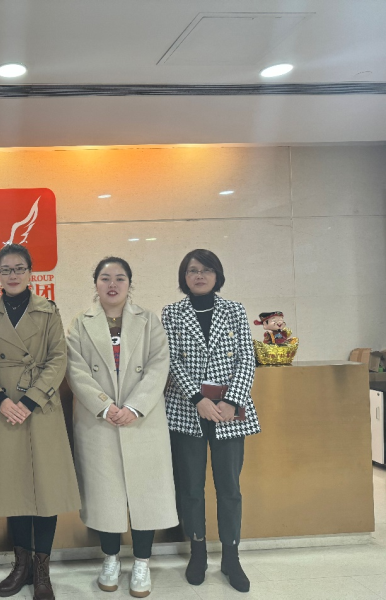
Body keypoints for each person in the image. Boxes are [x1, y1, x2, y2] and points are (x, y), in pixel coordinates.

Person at [0, 244, 80, 600]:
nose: (13, 275)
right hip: (3, 410)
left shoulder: (49, 311)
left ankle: (42, 570)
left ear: (31, 272)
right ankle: (21, 566)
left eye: (19, 268)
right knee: (12, 488)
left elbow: (58, 359)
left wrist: (30, 400)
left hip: (40, 409)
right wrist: (1, 399)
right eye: (6, 269)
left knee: (46, 489)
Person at [66, 257, 178, 597]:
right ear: (96, 284)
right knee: (105, 495)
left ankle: (142, 562)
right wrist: (105, 405)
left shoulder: (149, 321)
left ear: (130, 283)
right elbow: (75, 369)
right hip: (98, 421)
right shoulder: (80, 323)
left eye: (119, 278)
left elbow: (159, 365)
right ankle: (110, 559)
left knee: (146, 493)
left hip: (142, 420)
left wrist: (133, 407)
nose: (112, 284)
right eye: (105, 278)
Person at [161, 249, 260, 593]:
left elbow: (247, 358)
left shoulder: (234, 310)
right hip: (187, 410)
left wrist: (232, 400)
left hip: (229, 413)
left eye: (206, 270)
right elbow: (170, 360)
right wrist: (197, 399)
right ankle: (198, 553)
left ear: (217, 275)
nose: (199, 275)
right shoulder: (172, 313)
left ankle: (231, 557)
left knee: (229, 487)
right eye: (192, 270)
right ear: (184, 277)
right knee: (190, 487)